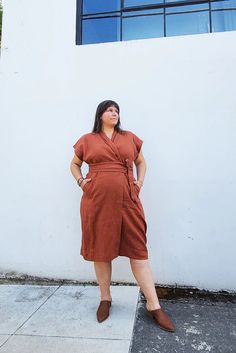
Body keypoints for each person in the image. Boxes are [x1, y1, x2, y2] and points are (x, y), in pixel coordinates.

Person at [70, 100, 175, 332]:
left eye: (116, 110)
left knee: (138, 250)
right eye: (109, 109)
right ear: (100, 115)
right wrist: (81, 182)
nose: (114, 112)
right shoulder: (87, 140)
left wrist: (138, 184)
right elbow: (75, 164)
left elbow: (141, 162)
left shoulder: (129, 137)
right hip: (96, 201)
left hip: (128, 199)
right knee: (101, 250)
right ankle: (105, 298)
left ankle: (154, 305)